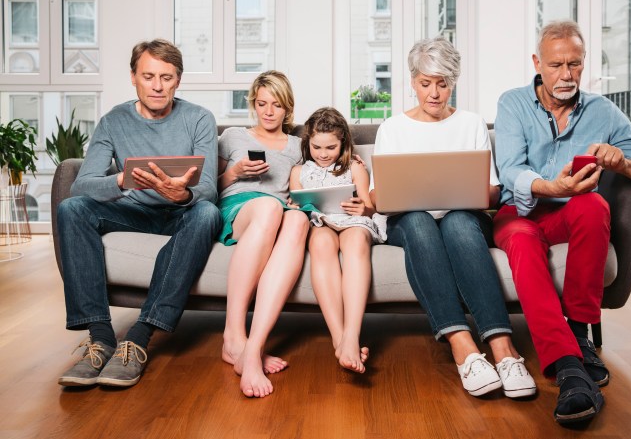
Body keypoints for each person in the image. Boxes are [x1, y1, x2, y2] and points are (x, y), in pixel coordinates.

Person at [493, 20, 631, 424]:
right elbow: (510, 170)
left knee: (594, 205)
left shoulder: (603, 111)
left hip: (570, 212)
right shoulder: (512, 104)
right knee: (522, 241)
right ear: (538, 63)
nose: (566, 74)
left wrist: (623, 162)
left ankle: (579, 332)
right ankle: (567, 366)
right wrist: (552, 186)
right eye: (557, 65)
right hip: (519, 213)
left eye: (575, 64)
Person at [369, 37, 537, 399]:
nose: (434, 93)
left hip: (461, 215)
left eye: (442, 83)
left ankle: (503, 349)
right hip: (409, 221)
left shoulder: (472, 124)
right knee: (419, 221)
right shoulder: (392, 129)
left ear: (453, 83)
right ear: (413, 82)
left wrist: (469, 189)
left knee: (460, 221)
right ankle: (464, 346)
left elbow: (492, 192)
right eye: (426, 83)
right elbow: (376, 198)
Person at [57, 39, 221, 387]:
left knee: (207, 212)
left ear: (178, 80)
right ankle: (100, 338)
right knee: (73, 209)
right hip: (134, 212)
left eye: (167, 77)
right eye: (149, 76)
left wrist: (183, 193)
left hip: (182, 214)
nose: (158, 86)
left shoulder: (199, 118)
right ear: (133, 77)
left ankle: (138, 337)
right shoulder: (114, 121)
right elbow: (82, 185)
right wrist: (120, 179)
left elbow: (208, 188)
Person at [217, 70, 310, 398]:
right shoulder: (232, 137)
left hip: (278, 211)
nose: (269, 111)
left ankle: (252, 347)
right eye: (262, 103)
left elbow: (318, 176)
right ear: (254, 104)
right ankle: (233, 336)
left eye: (277, 105)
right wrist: (234, 172)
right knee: (269, 208)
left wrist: (297, 197)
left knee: (299, 221)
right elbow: (204, 189)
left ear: (288, 109)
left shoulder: (299, 146)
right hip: (239, 208)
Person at [289, 107, 385, 373]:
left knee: (355, 242)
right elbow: (298, 204)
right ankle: (339, 338)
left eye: (330, 147)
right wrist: (296, 207)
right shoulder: (299, 171)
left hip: (352, 221)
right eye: (316, 147)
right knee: (320, 244)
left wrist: (361, 209)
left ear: (343, 141)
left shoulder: (354, 166)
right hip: (319, 221)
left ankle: (352, 335)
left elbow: (369, 206)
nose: (322, 154)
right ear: (307, 143)